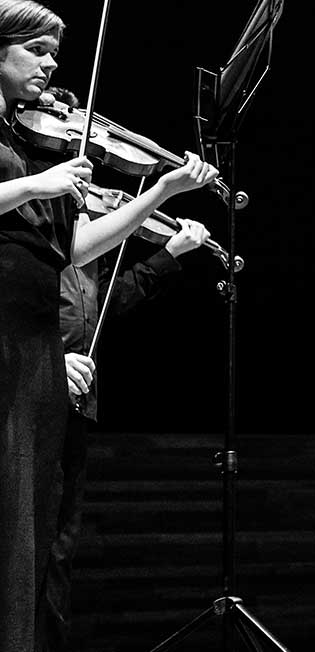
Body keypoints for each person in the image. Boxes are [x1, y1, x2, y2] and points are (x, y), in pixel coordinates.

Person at [1, 0, 218, 650]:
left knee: (27, 539)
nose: (50, 63)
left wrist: (161, 193)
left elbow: (72, 250)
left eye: (55, 53)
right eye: (35, 50)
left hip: (36, 342)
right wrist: (39, 187)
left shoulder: (20, 135)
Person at [44, 184, 211, 651]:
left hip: (75, 404)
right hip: (28, 390)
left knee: (59, 551)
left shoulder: (87, 243)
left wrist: (171, 253)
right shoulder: (36, 227)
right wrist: (51, 360)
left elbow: (102, 307)